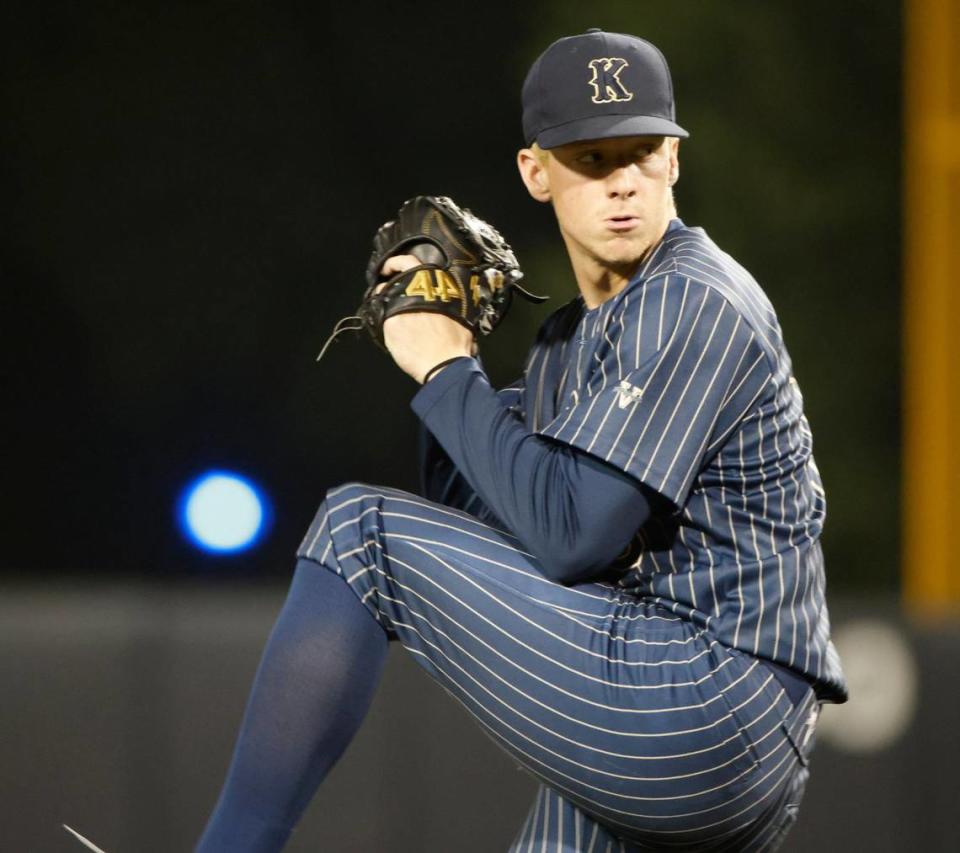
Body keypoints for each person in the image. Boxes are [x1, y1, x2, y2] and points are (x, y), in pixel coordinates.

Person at [196, 28, 848, 852]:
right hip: (682, 705)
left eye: (642, 153)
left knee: (358, 532)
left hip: (709, 701)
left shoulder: (694, 298)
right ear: (536, 172)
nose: (623, 184)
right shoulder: (575, 343)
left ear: (674, 162)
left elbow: (572, 538)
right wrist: (454, 360)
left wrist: (444, 372)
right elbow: (491, 519)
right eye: (591, 158)